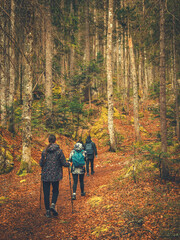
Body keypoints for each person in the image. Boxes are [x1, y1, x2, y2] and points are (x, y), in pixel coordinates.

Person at [40, 134, 70, 218]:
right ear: (55, 141)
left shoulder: (44, 151)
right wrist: (68, 164)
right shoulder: (59, 151)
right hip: (55, 175)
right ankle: (53, 204)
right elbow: (63, 163)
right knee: (55, 190)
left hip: (46, 175)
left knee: (46, 192)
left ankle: (48, 211)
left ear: (48, 141)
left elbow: (41, 163)